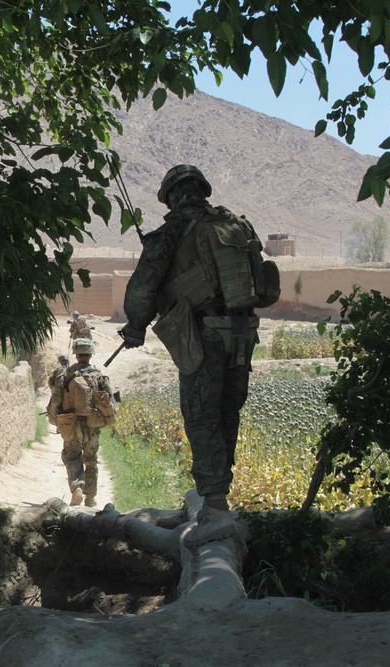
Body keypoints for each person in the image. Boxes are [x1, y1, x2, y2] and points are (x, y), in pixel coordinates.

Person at [119, 164, 276, 546]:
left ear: (171, 196)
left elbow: (142, 289)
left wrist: (136, 325)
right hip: (243, 333)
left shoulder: (172, 231)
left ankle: (216, 504)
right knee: (227, 411)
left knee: (201, 414)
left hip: (204, 334)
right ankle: (220, 497)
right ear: (202, 190)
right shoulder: (238, 225)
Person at [46, 338, 115, 508]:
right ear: (90, 354)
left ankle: (77, 487)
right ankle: (90, 498)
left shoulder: (66, 375)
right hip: (92, 425)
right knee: (91, 459)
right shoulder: (98, 375)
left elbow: (55, 400)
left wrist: (54, 420)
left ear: (76, 354)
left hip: (71, 425)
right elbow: (110, 401)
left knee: (71, 456)